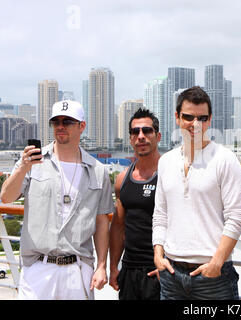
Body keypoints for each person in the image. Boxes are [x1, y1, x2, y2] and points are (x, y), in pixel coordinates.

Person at [0, 100, 113, 300]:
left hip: (77, 270)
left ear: (82, 126)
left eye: (68, 121)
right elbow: (6, 197)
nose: (61, 126)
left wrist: (102, 265)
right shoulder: (32, 161)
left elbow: (102, 220)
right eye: (56, 122)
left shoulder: (98, 171)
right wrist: (23, 168)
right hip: (38, 269)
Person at [152, 86, 241, 300]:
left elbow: (237, 216)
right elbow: (160, 214)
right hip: (171, 274)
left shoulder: (225, 159)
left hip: (213, 277)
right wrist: (158, 255)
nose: (196, 124)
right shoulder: (166, 161)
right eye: (188, 117)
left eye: (202, 118)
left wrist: (217, 262)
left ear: (210, 120)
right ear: (177, 117)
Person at [109, 108, 161, 300]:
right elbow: (118, 226)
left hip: (160, 269)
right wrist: (113, 266)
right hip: (129, 270)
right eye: (135, 132)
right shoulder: (122, 179)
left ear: (158, 136)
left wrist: (170, 264)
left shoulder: (170, 175)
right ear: (130, 139)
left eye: (147, 131)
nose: (141, 136)